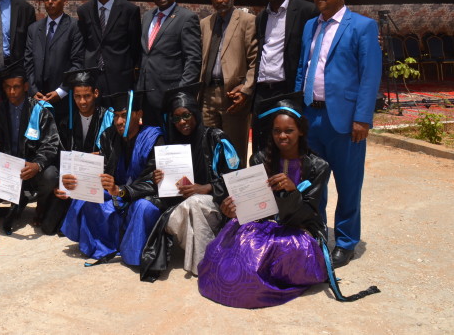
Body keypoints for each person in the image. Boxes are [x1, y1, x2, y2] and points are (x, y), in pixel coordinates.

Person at [197, 94, 330, 308]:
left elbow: (308, 213)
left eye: (289, 130)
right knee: (240, 243)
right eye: (277, 131)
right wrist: (234, 209)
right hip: (265, 222)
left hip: (300, 228)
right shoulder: (260, 159)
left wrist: (292, 191)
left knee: (282, 248)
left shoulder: (318, 166)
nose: (282, 136)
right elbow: (254, 204)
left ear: (301, 131)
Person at [294, 0, 382, 268]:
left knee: (348, 184)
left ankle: (345, 241)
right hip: (311, 117)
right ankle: (316, 234)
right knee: (313, 182)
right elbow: (303, 68)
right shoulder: (310, 26)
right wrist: (297, 107)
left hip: (345, 122)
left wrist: (362, 118)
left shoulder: (362, 26)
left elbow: (370, 75)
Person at [139, 85, 239, 281]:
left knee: (195, 203)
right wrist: (157, 179)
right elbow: (160, 188)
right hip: (182, 208)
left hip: (215, 208)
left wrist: (207, 188)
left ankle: (203, 265)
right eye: (176, 118)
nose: (182, 122)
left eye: (186, 115)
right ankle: (207, 260)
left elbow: (236, 178)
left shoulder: (216, 138)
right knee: (182, 210)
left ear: (195, 113)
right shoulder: (171, 146)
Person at [60, 90, 164, 267]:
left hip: (142, 195)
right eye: (116, 116)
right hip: (117, 190)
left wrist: (121, 191)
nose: (119, 122)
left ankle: (131, 250)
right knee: (87, 197)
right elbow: (105, 173)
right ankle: (102, 246)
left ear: (139, 114)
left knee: (143, 208)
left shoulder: (154, 138)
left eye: (124, 115)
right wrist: (71, 185)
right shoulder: (108, 136)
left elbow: (153, 181)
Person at [0, 60, 60, 234]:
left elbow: (51, 144)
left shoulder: (39, 110)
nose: (12, 92)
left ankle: (41, 206)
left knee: (50, 175)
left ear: (25, 86)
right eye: (7, 87)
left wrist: (37, 164)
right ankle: (5, 207)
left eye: (16, 86)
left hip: (30, 170)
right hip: (8, 171)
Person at [252, 0, 317, 151]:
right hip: (262, 92)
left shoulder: (306, 11)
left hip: (286, 90)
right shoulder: (262, 16)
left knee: (288, 147)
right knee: (261, 148)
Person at [45, 67, 114, 236]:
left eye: (87, 96)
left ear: (96, 93)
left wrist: (86, 159)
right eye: (77, 96)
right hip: (73, 183)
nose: (82, 102)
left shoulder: (108, 118)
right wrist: (59, 184)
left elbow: (111, 155)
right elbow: (60, 156)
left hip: (97, 184)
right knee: (49, 228)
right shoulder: (66, 122)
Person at [199, 0, 258, 163]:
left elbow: (255, 60)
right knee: (208, 149)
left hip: (233, 96)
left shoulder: (247, 21)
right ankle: (213, 190)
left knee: (234, 152)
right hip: (207, 96)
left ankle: (235, 191)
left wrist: (247, 89)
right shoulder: (205, 23)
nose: (219, 0)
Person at [138, 0, 201, 126]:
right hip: (146, 95)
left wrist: (181, 93)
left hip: (170, 95)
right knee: (152, 140)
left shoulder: (186, 18)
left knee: (171, 144)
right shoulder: (148, 16)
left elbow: (193, 59)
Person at [77, 0, 142, 96]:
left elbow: (135, 45)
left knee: (117, 115)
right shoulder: (84, 10)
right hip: (92, 75)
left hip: (120, 77)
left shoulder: (129, 10)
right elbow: (82, 43)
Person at [24, 0, 84, 122]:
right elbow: (28, 62)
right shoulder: (34, 29)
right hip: (37, 99)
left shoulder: (74, 27)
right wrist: (33, 90)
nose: (50, 2)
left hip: (63, 100)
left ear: (64, 1)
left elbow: (78, 63)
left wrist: (61, 91)